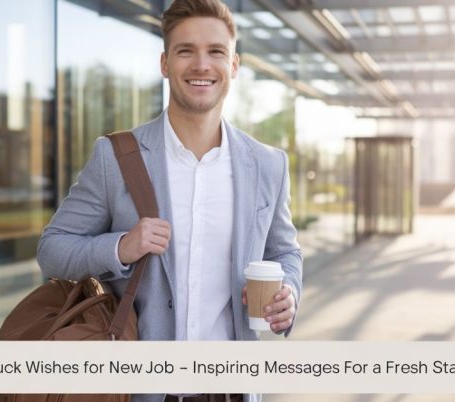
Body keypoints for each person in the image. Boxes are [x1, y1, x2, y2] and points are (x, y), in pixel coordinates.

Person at [37, 0, 302, 400]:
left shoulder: (267, 165)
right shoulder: (116, 157)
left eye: (216, 51)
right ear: (165, 64)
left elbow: (285, 252)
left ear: (233, 66)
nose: (201, 65)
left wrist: (290, 296)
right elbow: (52, 250)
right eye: (185, 51)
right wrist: (122, 247)